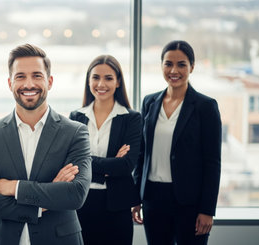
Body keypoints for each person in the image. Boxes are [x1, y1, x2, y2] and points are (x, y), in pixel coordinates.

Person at [0, 43, 92, 245]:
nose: (28, 84)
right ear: (10, 83)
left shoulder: (75, 132)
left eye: (37, 75)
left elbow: (75, 195)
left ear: (49, 81)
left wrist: (14, 187)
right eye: (20, 77)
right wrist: (44, 200)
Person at [132, 40, 222, 245]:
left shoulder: (205, 106)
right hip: (153, 199)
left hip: (189, 201)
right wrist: (135, 198)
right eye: (168, 64)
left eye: (181, 64)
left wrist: (207, 210)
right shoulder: (149, 102)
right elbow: (141, 154)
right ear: (161, 65)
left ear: (192, 66)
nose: (174, 70)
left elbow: (212, 162)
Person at [69, 54, 142, 245]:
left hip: (116, 207)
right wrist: (109, 167)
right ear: (88, 80)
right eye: (96, 77)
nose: (101, 84)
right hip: (81, 204)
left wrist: (87, 162)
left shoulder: (132, 119)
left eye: (108, 78)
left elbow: (126, 165)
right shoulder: (76, 117)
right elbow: (71, 163)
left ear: (118, 82)